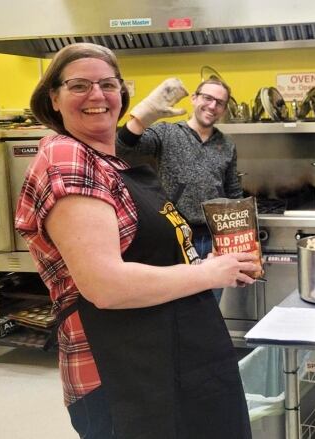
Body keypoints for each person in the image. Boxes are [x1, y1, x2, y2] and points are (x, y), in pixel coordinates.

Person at [15, 42, 257, 438]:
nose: (96, 95)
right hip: (122, 374)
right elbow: (106, 287)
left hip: (165, 359)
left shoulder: (106, 161)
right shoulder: (67, 157)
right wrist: (211, 273)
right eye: (79, 85)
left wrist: (208, 259)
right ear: (53, 98)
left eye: (107, 84)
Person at [117, 75, 243, 305]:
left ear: (224, 109)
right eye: (207, 98)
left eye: (220, 102)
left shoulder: (227, 144)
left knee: (208, 306)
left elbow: (233, 192)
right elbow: (122, 147)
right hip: (175, 236)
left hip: (213, 238)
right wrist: (144, 113)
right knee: (174, 304)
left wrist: (238, 236)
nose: (212, 106)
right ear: (194, 99)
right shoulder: (167, 133)